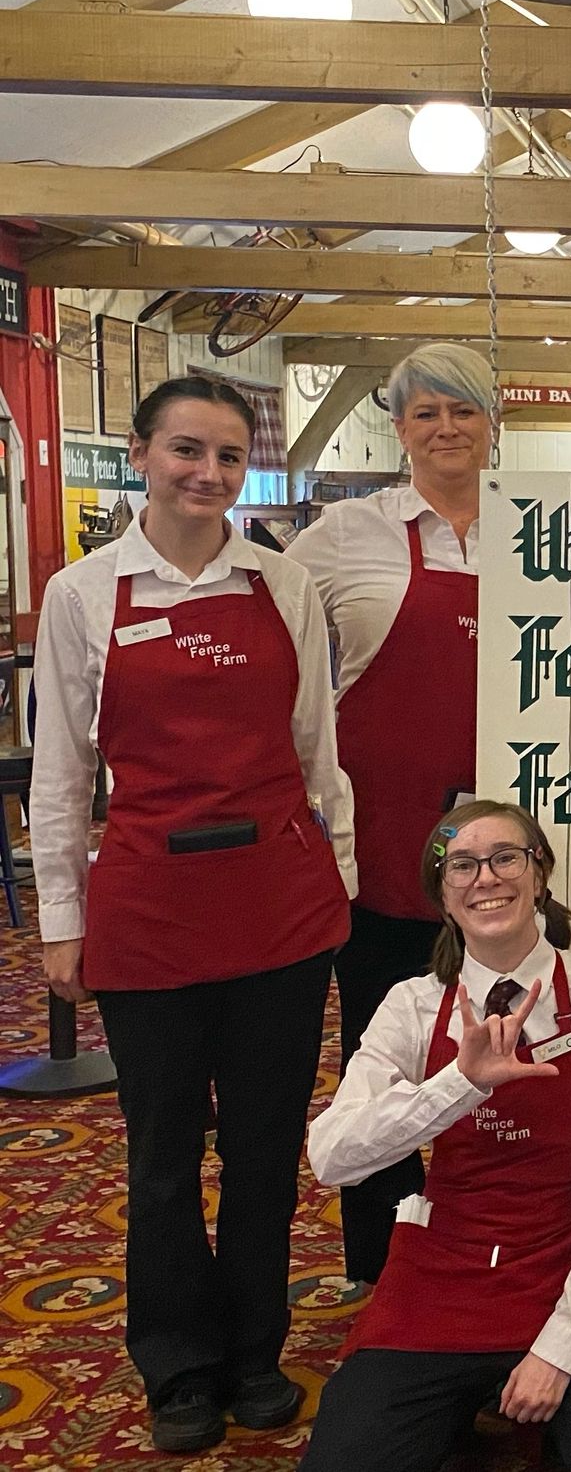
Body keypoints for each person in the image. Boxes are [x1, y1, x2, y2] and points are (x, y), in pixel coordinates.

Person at [31, 375, 355, 1453]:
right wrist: (60, 922)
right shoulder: (82, 594)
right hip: (148, 907)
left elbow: (320, 752)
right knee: (163, 1151)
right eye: (186, 451)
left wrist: (339, 876)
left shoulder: (281, 584)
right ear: (140, 453)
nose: (207, 474)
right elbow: (62, 778)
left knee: (266, 1147)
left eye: (225, 456)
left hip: (278, 905)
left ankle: (257, 1350)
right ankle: (177, 1363)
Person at [303, 800, 571, 1472]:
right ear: (442, 895)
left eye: (507, 857)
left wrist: (556, 1353)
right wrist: (462, 1083)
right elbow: (333, 1156)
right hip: (440, 1278)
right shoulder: (413, 1005)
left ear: (540, 875)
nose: (486, 877)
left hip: (569, 1265)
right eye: (462, 864)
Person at [290, 341, 492, 1285]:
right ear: (400, 427)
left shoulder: (542, 525)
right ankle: (385, 1267)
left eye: (464, 410)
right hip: (382, 845)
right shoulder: (343, 533)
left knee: (507, 1055)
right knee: (386, 1057)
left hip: (510, 856)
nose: (446, 428)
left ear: (493, 426)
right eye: (426, 413)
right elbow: (268, 640)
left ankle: (496, 1249)